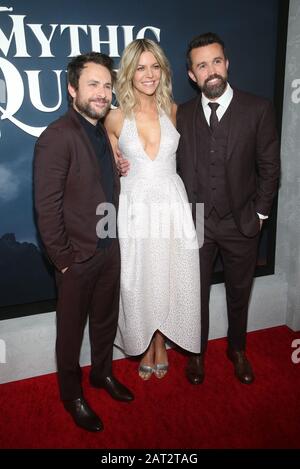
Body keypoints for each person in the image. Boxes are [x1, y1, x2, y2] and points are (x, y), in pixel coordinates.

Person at [34, 52, 133, 433]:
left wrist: (119, 168)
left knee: (106, 321)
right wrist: (63, 261)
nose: (102, 92)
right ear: (72, 88)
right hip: (75, 259)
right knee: (71, 332)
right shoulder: (56, 137)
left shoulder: (102, 132)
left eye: (107, 85)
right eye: (93, 84)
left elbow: (99, 185)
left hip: (109, 248)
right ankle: (71, 394)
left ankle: (102, 374)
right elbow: (46, 207)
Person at [176, 32, 280, 385]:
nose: (212, 70)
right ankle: (196, 353)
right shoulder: (182, 114)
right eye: (202, 65)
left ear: (227, 64)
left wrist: (261, 214)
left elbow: (270, 169)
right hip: (197, 224)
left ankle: (237, 349)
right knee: (195, 296)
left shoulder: (258, 109)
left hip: (242, 223)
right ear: (192, 75)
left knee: (239, 293)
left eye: (216, 61)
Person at [105, 39, 201, 381]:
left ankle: (161, 342)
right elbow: (109, 168)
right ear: (129, 73)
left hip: (172, 205)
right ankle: (144, 342)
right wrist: (115, 165)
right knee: (139, 279)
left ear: (163, 70)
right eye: (141, 67)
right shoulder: (114, 118)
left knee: (169, 274)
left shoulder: (174, 111)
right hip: (135, 208)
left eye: (155, 67)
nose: (149, 75)